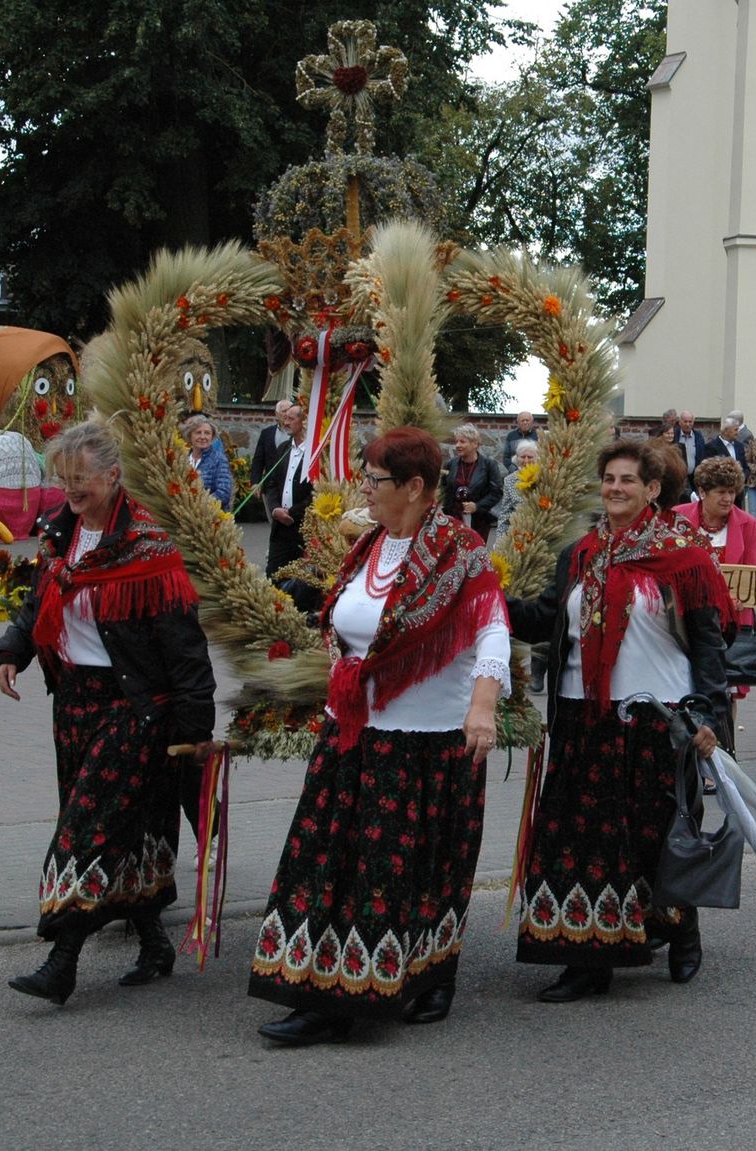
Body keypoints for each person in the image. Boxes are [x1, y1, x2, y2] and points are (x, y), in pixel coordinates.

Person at [249, 428, 510, 1045]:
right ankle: (321, 987)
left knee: (404, 868)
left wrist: (483, 706)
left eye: (375, 478)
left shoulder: (459, 549)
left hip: (425, 739)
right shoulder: (370, 544)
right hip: (353, 733)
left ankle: (406, 981)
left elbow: (492, 629)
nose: (364, 487)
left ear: (416, 488)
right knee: (325, 862)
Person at [0, 421, 217, 1005]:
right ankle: (153, 942)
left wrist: (195, 729)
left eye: (79, 477)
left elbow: (186, 647)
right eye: (61, 477)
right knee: (127, 828)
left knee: (83, 829)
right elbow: (44, 599)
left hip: (134, 708)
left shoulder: (151, 547)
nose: (69, 488)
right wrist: (13, 649)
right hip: (74, 703)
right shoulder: (61, 535)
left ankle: (61, 962)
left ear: (113, 476)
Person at [506, 439, 734, 1001]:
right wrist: (488, 594)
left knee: (655, 835)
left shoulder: (684, 554)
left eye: (627, 479)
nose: (614, 488)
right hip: (585, 717)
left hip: (656, 717)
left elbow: (710, 641)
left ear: (653, 489)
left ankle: (680, 933)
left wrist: (708, 713)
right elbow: (543, 622)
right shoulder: (581, 553)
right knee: (581, 841)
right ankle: (587, 959)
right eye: (608, 478)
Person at [676, 456, 756, 754]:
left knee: (727, 693)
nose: (728, 498)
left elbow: (753, 574)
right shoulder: (679, 517)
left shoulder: (748, 524)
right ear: (702, 491)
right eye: (720, 492)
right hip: (688, 620)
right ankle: (690, 753)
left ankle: (724, 755)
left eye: (732, 491)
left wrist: (738, 598)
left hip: (731, 623)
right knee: (687, 687)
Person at [262, 403, 309, 578]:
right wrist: (275, 509)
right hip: (280, 526)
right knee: (273, 574)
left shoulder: (314, 453)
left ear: (303, 421)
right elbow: (272, 483)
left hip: (302, 526)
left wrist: (291, 512)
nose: (286, 422)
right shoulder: (283, 449)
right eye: (284, 418)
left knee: (300, 578)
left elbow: (315, 492)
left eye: (291, 418)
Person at [441, 424, 503, 541]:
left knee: (476, 552)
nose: (458, 445)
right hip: (454, 518)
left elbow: (496, 492)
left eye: (462, 442)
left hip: (480, 519)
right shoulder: (450, 464)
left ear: (475, 444)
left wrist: (477, 506)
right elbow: (443, 489)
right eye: (457, 442)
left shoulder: (489, 465)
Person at [183, 414, 233, 511]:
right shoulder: (183, 459)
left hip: (209, 517)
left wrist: (198, 505)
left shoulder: (218, 459)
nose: (203, 437)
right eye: (198, 432)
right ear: (190, 435)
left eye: (207, 433)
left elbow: (224, 492)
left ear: (212, 436)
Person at [493, 438, 539, 542]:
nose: (526, 461)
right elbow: (505, 514)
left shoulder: (543, 477)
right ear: (517, 458)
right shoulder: (510, 480)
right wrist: (499, 541)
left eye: (530, 457)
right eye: (522, 457)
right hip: (519, 534)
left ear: (537, 458)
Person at [702, 415, 751, 504]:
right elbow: (709, 470)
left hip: (737, 493)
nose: (738, 433)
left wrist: (742, 478)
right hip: (720, 493)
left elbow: (745, 466)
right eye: (735, 430)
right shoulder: (712, 447)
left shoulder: (739, 446)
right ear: (726, 431)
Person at [249, 399, 294, 492]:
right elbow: (258, 460)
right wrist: (255, 482)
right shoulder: (266, 433)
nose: (287, 414)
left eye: (289, 411)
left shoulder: (297, 434)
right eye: (284, 411)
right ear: (277, 414)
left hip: (291, 486)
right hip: (269, 486)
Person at [671, 410, 707, 493]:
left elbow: (702, 456)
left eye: (690, 422)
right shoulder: (674, 435)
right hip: (678, 478)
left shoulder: (698, 437)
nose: (688, 424)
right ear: (680, 422)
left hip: (694, 478)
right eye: (685, 421)